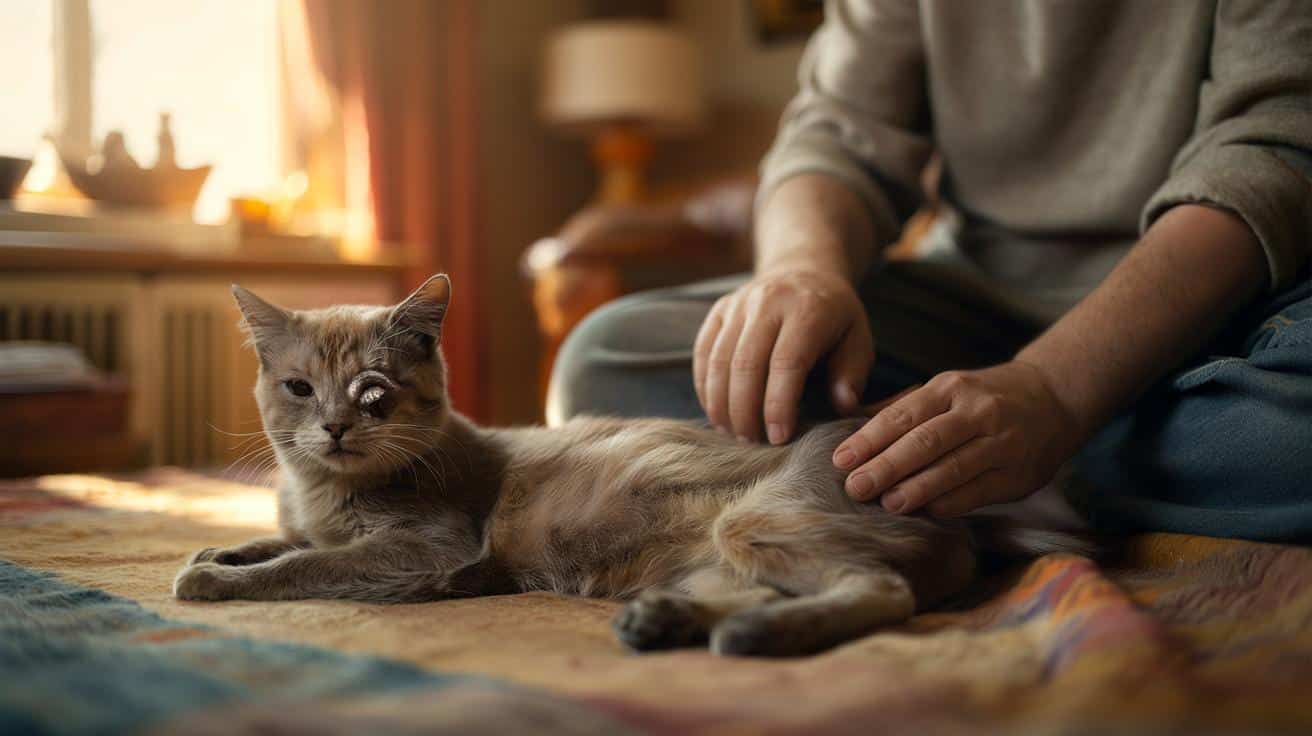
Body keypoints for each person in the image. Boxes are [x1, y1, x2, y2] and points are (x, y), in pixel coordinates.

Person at [549, 1, 1312, 542]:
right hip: (970, 301)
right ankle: (983, 460)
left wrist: (1056, 393)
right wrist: (802, 268)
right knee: (606, 360)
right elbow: (836, 135)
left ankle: (982, 470)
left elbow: (1270, 151)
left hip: (1223, 310)